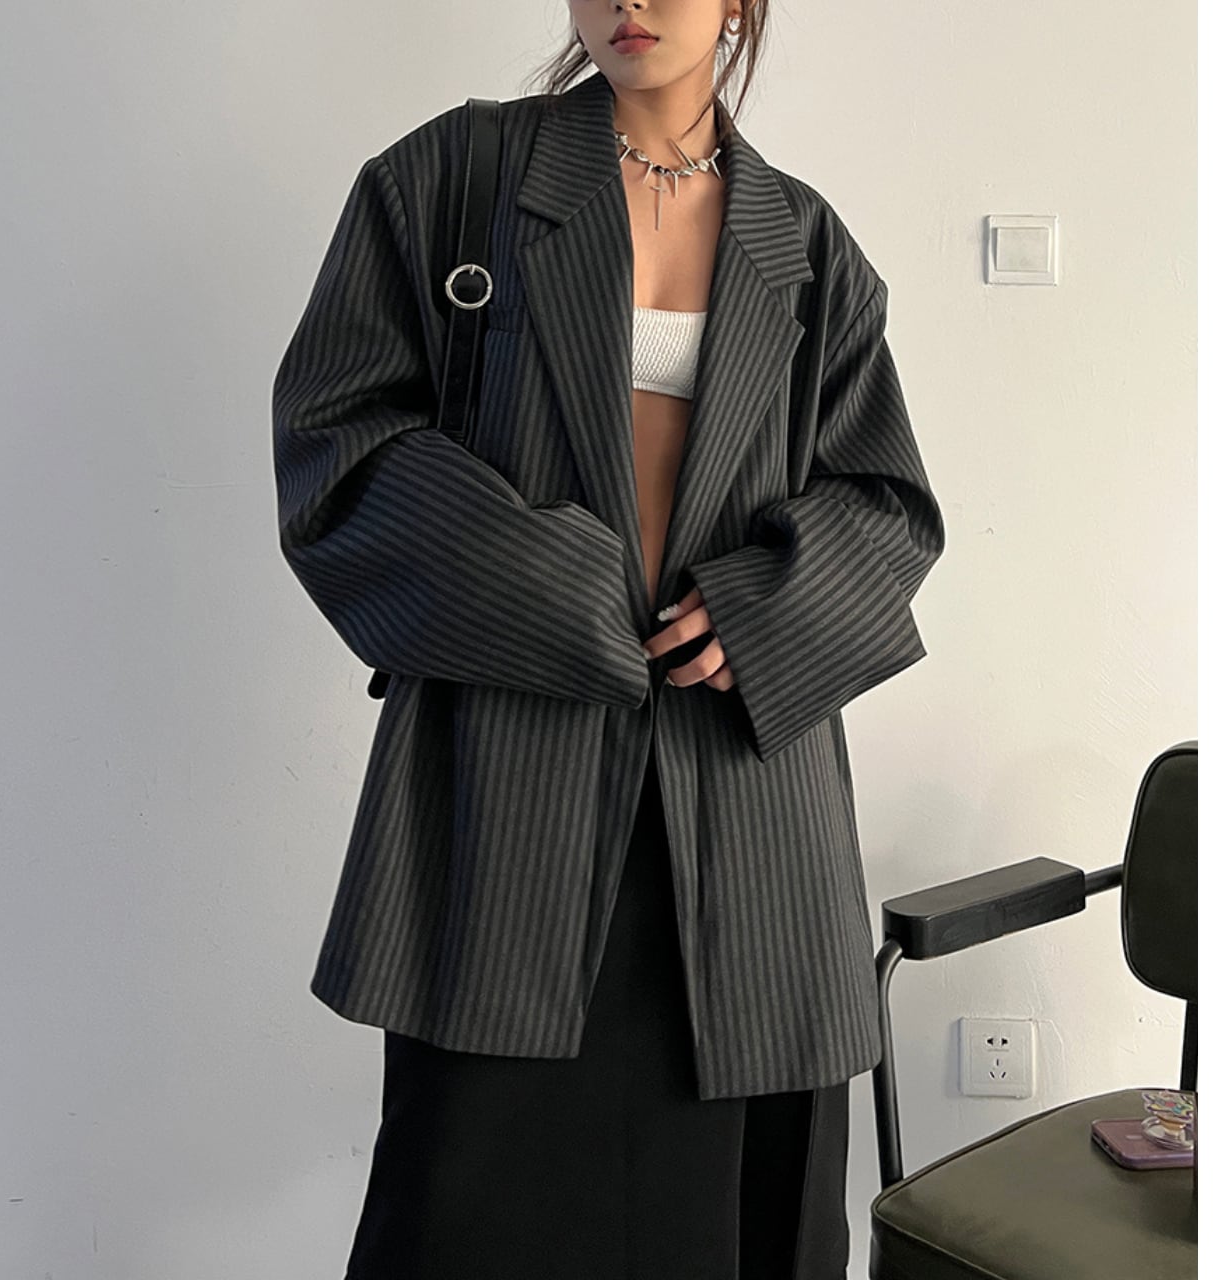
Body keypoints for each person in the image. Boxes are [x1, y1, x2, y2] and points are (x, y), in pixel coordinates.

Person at [272, 1, 945, 1276]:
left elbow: (885, 504)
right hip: (504, 779)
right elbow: (336, 441)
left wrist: (759, 608)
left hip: (747, 807)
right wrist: (562, 588)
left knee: (735, 1214)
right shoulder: (452, 181)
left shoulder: (802, 243)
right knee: (470, 1205)